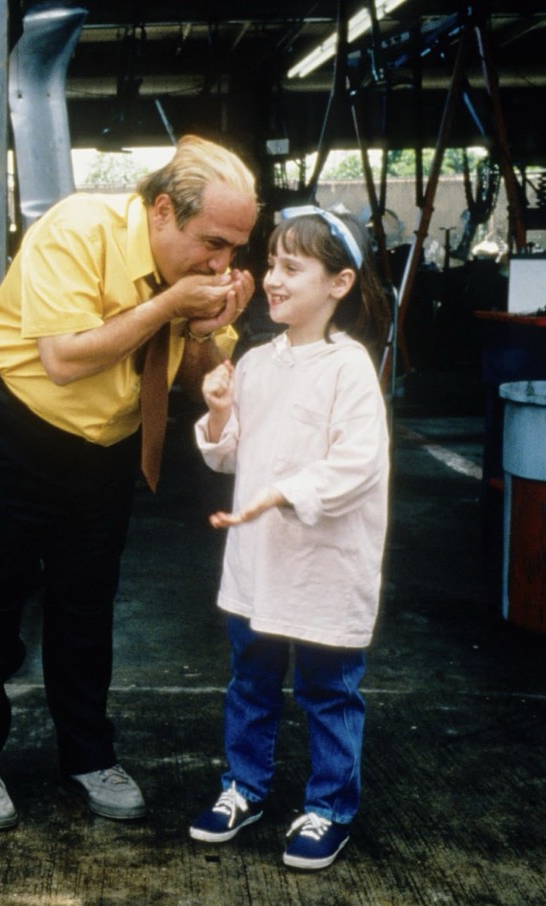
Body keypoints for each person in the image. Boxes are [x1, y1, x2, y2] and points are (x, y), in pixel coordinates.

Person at [0, 135, 259, 830]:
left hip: (106, 449)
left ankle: (88, 754)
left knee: (86, 608)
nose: (222, 262)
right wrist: (173, 303)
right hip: (15, 432)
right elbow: (63, 359)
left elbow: (188, 374)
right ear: (164, 212)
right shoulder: (79, 229)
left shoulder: (198, 277)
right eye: (213, 241)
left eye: (236, 249)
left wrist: (210, 328)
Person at [186, 206, 392, 870]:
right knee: (250, 680)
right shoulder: (254, 362)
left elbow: (358, 465)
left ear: (339, 284)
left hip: (324, 564)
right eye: (272, 263)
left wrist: (287, 492)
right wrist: (219, 413)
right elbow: (225, 456)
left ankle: (329, 806)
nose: (272, 279)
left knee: (329, 690)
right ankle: (243, 787)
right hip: (258, 564)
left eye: (291, 268)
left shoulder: (349, 367)